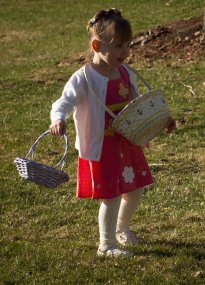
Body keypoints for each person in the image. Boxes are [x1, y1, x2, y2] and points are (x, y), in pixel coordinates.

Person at [49, 8, 176, 257]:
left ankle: (122, 229)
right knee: (112, 195)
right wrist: (58, 118)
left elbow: (140, 104)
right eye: (118, 46)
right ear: (97, 45)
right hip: (102, 147)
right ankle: (106, 245)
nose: (125, 52)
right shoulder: (83, 78)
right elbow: (63, 102)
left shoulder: (126, 73)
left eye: (128, 45)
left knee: (135, 187)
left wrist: (161, 119)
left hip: (127, 142)